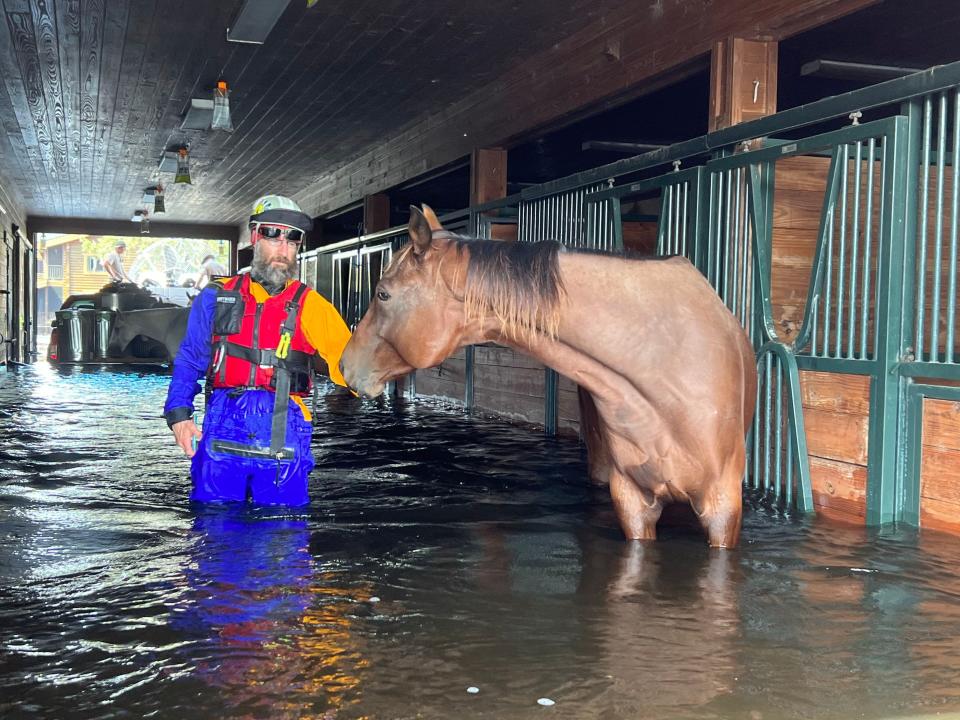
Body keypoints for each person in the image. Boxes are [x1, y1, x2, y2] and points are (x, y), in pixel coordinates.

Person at [163, 195, 352, 505]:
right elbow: (190, 359)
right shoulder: (215, 296)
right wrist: (179, 415)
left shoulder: (314, 307)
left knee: (283, 540)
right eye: (273, 233)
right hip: (223, 428)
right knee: (214, 536)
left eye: (293, 238)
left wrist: (394, 354)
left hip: (285, 432)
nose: (283, 246)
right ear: (254, 236)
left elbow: (355, 369)